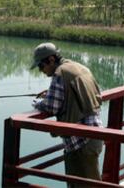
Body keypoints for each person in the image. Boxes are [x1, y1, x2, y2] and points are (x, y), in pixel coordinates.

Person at [30, 42, 103, 187]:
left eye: (40, 65)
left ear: (51, 60)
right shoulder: (78, 67)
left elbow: (51, 107)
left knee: (81, 185)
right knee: (90, 183)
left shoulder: (59, 74)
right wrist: (51, 93)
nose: (40, 70)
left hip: (80, 142)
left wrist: (37, 104)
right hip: (94, 134)